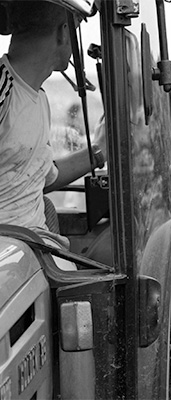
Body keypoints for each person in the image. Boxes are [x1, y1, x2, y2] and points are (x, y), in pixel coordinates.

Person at [0, 1, 106, 270]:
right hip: (12, 255)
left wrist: (101, 151)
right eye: (76, 30)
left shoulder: (38, 98)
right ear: (63, 32)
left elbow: (43, 176)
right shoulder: (3, 91)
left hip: (34, 248)